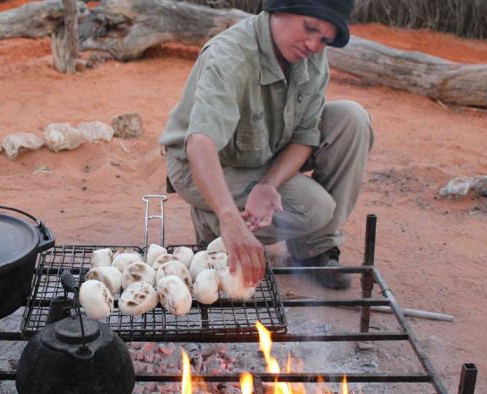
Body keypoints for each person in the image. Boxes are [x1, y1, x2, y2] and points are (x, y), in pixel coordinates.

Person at [159, 0, 373, 290]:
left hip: (266, 150)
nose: (313, 44)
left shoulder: (311, 57)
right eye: (309, 28)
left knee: (352, 119)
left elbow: (304, 137)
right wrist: (228, 216)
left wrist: (269, 184)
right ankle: (215, 225)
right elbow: (200, 143)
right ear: (279, 8)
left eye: (324, 39)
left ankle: (314, 250)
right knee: (314, 207)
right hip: (205, 164)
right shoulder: (230, 55)